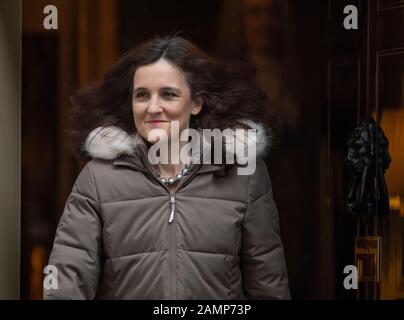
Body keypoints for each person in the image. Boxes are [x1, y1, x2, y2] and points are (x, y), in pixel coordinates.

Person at [43, 35, 291, 300]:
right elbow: (66, 286)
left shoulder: (244, 175)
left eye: (168, 94)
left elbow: (268, 285)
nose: (153, 107)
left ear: (196, 103)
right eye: (141, 95)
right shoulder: (98, 178)